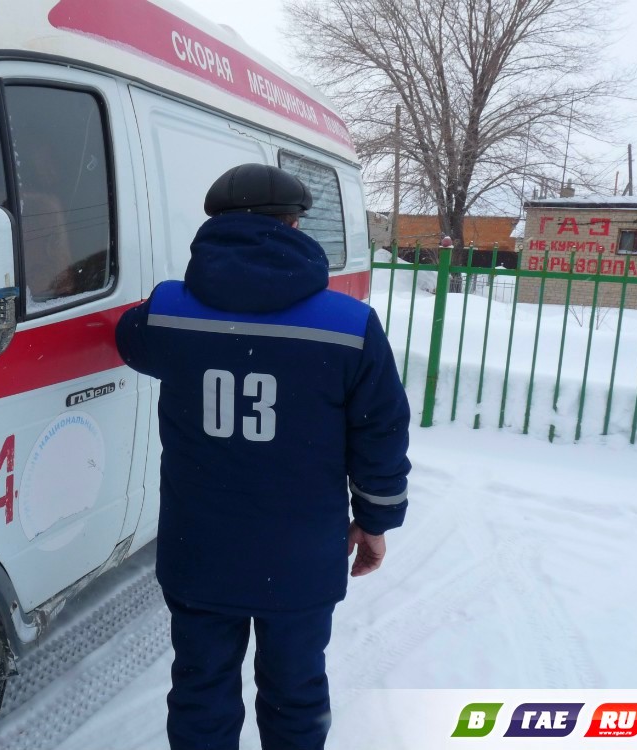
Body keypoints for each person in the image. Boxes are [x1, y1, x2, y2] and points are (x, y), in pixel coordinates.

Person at [115, 163, 411, 750]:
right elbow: (381, 433)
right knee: (296, 695)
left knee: (201, 693)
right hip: (301, 558)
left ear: (215, 226)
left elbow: (128, 338)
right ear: (295, 225)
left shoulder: (170, 312)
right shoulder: (350, 325)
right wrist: (375, 521)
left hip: (199, 553)